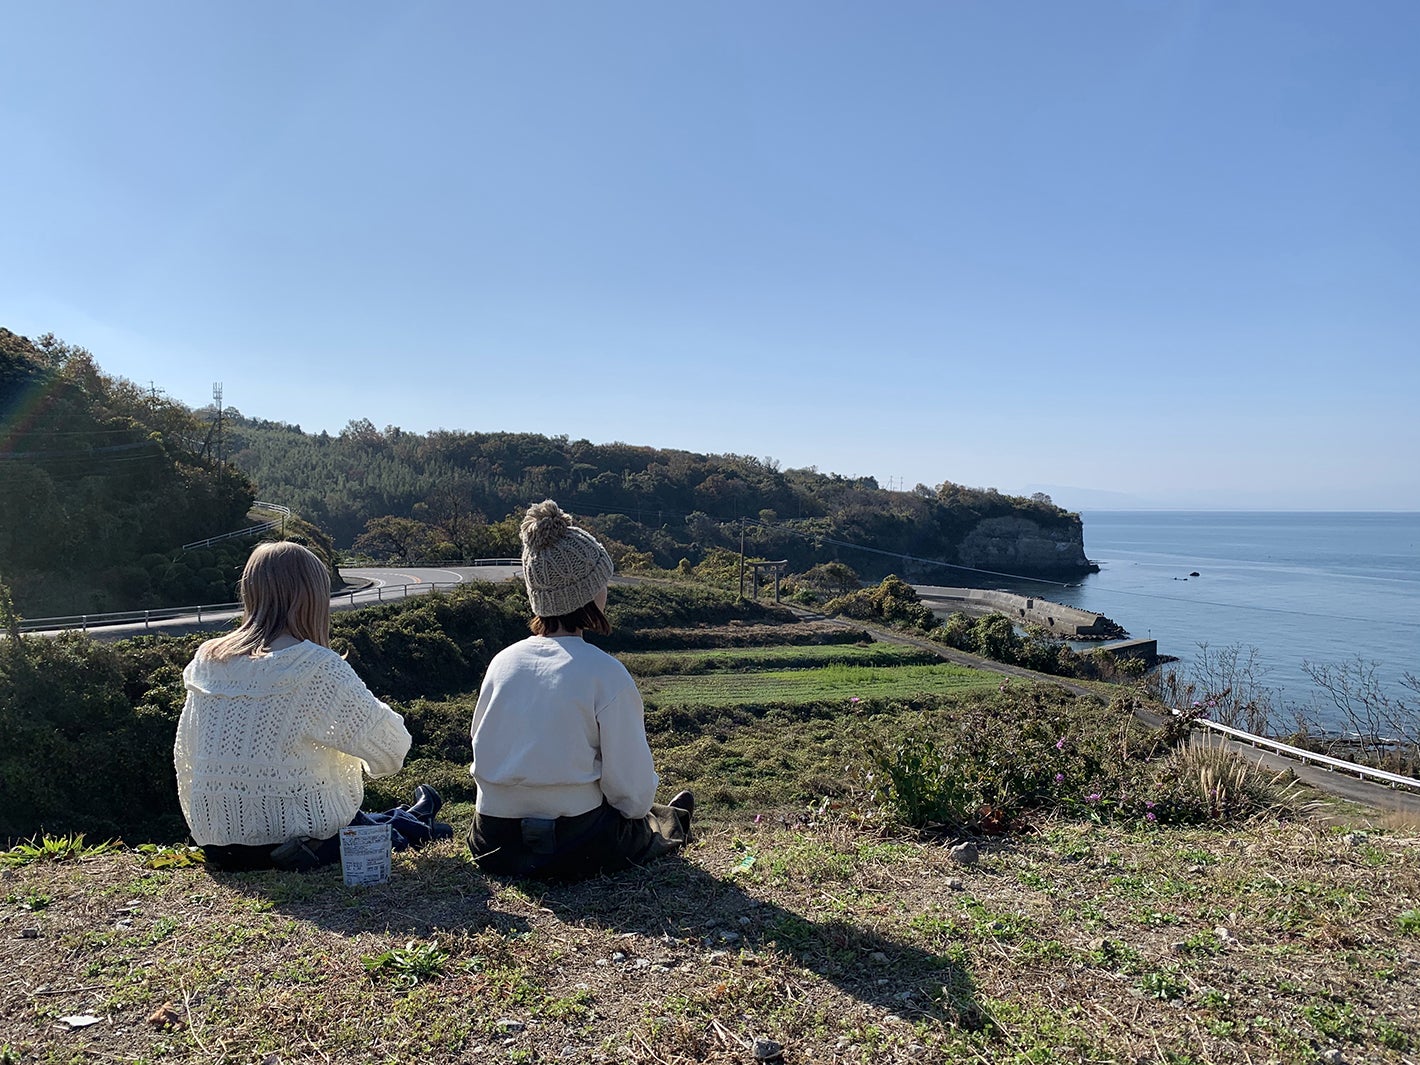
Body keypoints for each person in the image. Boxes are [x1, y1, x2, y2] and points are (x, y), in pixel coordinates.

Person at [174, 540, 451, 872]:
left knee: (366, 819)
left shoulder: (208, 658)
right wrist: (366, 705)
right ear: (313, 597)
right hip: (295, 848)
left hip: (220, 846)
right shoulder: (314, 666)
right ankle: (418, 818)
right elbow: (392, 751)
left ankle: (416, 813)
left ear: (250, 591)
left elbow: (188, 753)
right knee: (403, 831)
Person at [467, 500, 692, 880]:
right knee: (649, 822)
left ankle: (670, 816)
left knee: (641, 816)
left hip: (492, 842)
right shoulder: (606, 674)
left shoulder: (502, 663)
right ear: (588, 592)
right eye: (602, 582)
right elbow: (631, 795)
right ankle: (674, 820)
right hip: (576, 843)